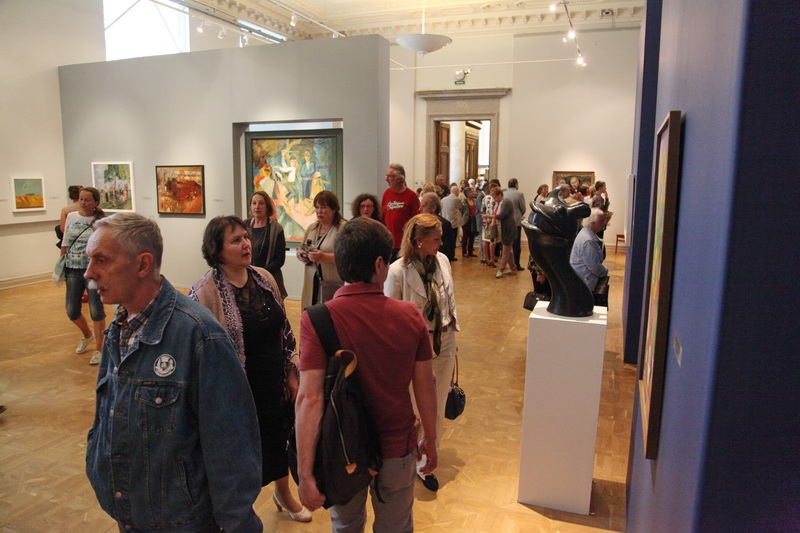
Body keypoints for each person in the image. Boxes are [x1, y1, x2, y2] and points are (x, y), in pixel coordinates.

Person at [84, 213, 263, 532]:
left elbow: (231, 445)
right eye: (89, 260)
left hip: (182, 522)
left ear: (143, 264)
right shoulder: (119, 328)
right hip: (130, 513)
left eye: (101, 260)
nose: (89, 273)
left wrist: (238, 523)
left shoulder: (200, 335)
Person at [295, 217, 438, 532]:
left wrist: (305, 475)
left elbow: (309, 399)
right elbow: (425, 385)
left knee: (346, 525)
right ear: (378, 264)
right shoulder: (409, 315)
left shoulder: (317, 319)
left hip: (344, 449)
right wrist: (431, 436)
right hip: (397, 445)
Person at [190, 216, 312, 524]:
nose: (246, 244)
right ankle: (240, 509)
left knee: (277, 440)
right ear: (216, 249)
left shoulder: (263, 278)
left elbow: (284, 328)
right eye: (236, 240)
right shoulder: (205, 292)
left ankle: (283, 494)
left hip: (273, 380)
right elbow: (198, 349)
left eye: (246, 237)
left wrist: (292, 372)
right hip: (236, 389)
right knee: (241, 451)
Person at [385, 213, 460, 493]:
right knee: (415, 408)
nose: (442, 243)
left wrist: (452, 336)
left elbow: (449, 300)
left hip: (444, 341)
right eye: (436, 239)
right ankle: (407, 457)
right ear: (418, 240)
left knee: (437, 405)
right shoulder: (397, 271)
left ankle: (428, 461)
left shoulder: (442, 261)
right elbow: (390, 316)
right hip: (414, 349)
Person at [62, 187, 105, 365]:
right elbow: (65, 240)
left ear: (96, 202)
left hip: (92, 270)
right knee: (71, 310)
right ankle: (88, 335)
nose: (83, 203)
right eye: (81, 199)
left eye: (87, 200)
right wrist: (62, 264)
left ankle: (99, 349)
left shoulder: (101, 221)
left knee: (96, 310)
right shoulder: (72, 217)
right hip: (73, 268)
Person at [298, 190, 346, 310]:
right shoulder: (312, 228)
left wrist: (324, 257)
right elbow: (301, 248)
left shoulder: (343, 228)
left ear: (334, 209)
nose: (319, 211)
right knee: (311, 314)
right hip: (311, 282)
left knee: (330, 315)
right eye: (317, 207)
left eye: (323, 207)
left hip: (333, 283)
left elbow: (348, 256)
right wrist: (302, 255)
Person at [247, 191, 287, 298]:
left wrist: (262, 273)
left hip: (269, 277)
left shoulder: (276, 228)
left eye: (261, 203)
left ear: (267, 206)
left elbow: (280, 259)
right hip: (247, 279)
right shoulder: (244, 225)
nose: (257, 206)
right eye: (254, 203)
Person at [382, 163, 420, 262]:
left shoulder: (411, 196)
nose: (386, 179)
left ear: (399, 178)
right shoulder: (387, 193)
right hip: (389, 243)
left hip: (404, 244)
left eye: (390, 176)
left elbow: (417, 220)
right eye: (386, 176)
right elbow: (383, 216)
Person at [570, 208, 609, 293]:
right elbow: (595, 267)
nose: (604, 223)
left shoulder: (586, 233)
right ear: (593, 223)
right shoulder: (588, 240)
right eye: (602, 220)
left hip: (583, 280)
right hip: (585, 283)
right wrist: (606, 271)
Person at [420, 192, 455, 262]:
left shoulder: (444, 225)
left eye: (423, 206)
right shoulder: (419, 224)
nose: (420, 209)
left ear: (433, 208)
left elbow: (448, 250)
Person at [491, 187, 517, 278]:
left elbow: (501, 215)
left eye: (495, 197)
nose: (494, 199)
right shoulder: (501, 202)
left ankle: (501, 269)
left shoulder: (506, 202)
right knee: (508, 250)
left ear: (500, 195)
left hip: (508, 229)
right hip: (504, 228)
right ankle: (513, 269)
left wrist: (490, 216)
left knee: (505, 250)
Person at [504, 178, 527, 271]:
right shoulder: (519, 194)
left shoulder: (504, 193)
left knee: (506, 243)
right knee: (516, 244)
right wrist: (519, 214)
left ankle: (506, 263)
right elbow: (523, 208)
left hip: (506, 221)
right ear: (516, 185)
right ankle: (516, 264)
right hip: (516, 221)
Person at [441, 185, 466, 258]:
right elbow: (462, 208)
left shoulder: (443, 199)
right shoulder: (457, 199)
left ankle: (445, 254)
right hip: (453, 222)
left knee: (445, 239)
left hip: (444, 221)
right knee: (453, 240)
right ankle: (451, 255)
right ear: (457, 192)